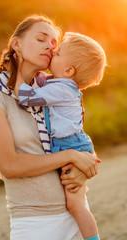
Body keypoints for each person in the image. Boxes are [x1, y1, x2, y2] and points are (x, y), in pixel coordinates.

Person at [0, 15, 99, 240]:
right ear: (16, 44)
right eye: (41, 39)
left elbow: (75, 135)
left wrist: (83, 167)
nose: (49, 45)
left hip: (74, 217)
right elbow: (10, 166)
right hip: (36, 224)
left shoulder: (49, 89)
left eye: (54, 43)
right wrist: (71, 156)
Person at [16, 32, 107, 240]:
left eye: (57, 54)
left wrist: (17, 72)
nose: (52, 53)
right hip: (69, 144)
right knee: (71, 200)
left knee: (75, 204)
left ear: (68, 70)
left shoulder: (62, 89)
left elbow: (27, 98)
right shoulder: (59, 83)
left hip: (71, 146)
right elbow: (40, 78)